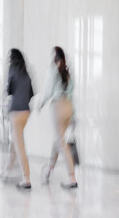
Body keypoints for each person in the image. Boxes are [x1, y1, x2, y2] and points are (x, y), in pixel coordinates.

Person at [38, 46, 78, 189]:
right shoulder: (67, 73)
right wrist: (74, 116)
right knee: (58, 140)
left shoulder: (52, 69)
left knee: (61, 143)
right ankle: (49, 169)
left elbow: (48, 91)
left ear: (54, 58)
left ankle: (72, 178)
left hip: (58, 106)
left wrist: (40, 104)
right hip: (68, 107)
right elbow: (72, 94)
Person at [2, 48, 34, 189]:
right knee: (15, 142)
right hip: (26, 111)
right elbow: (32, 93)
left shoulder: (12, 68)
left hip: (16, 111)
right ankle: (8, 169)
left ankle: (26, 179)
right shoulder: (26, 71)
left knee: (19, 145)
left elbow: (9, 89)